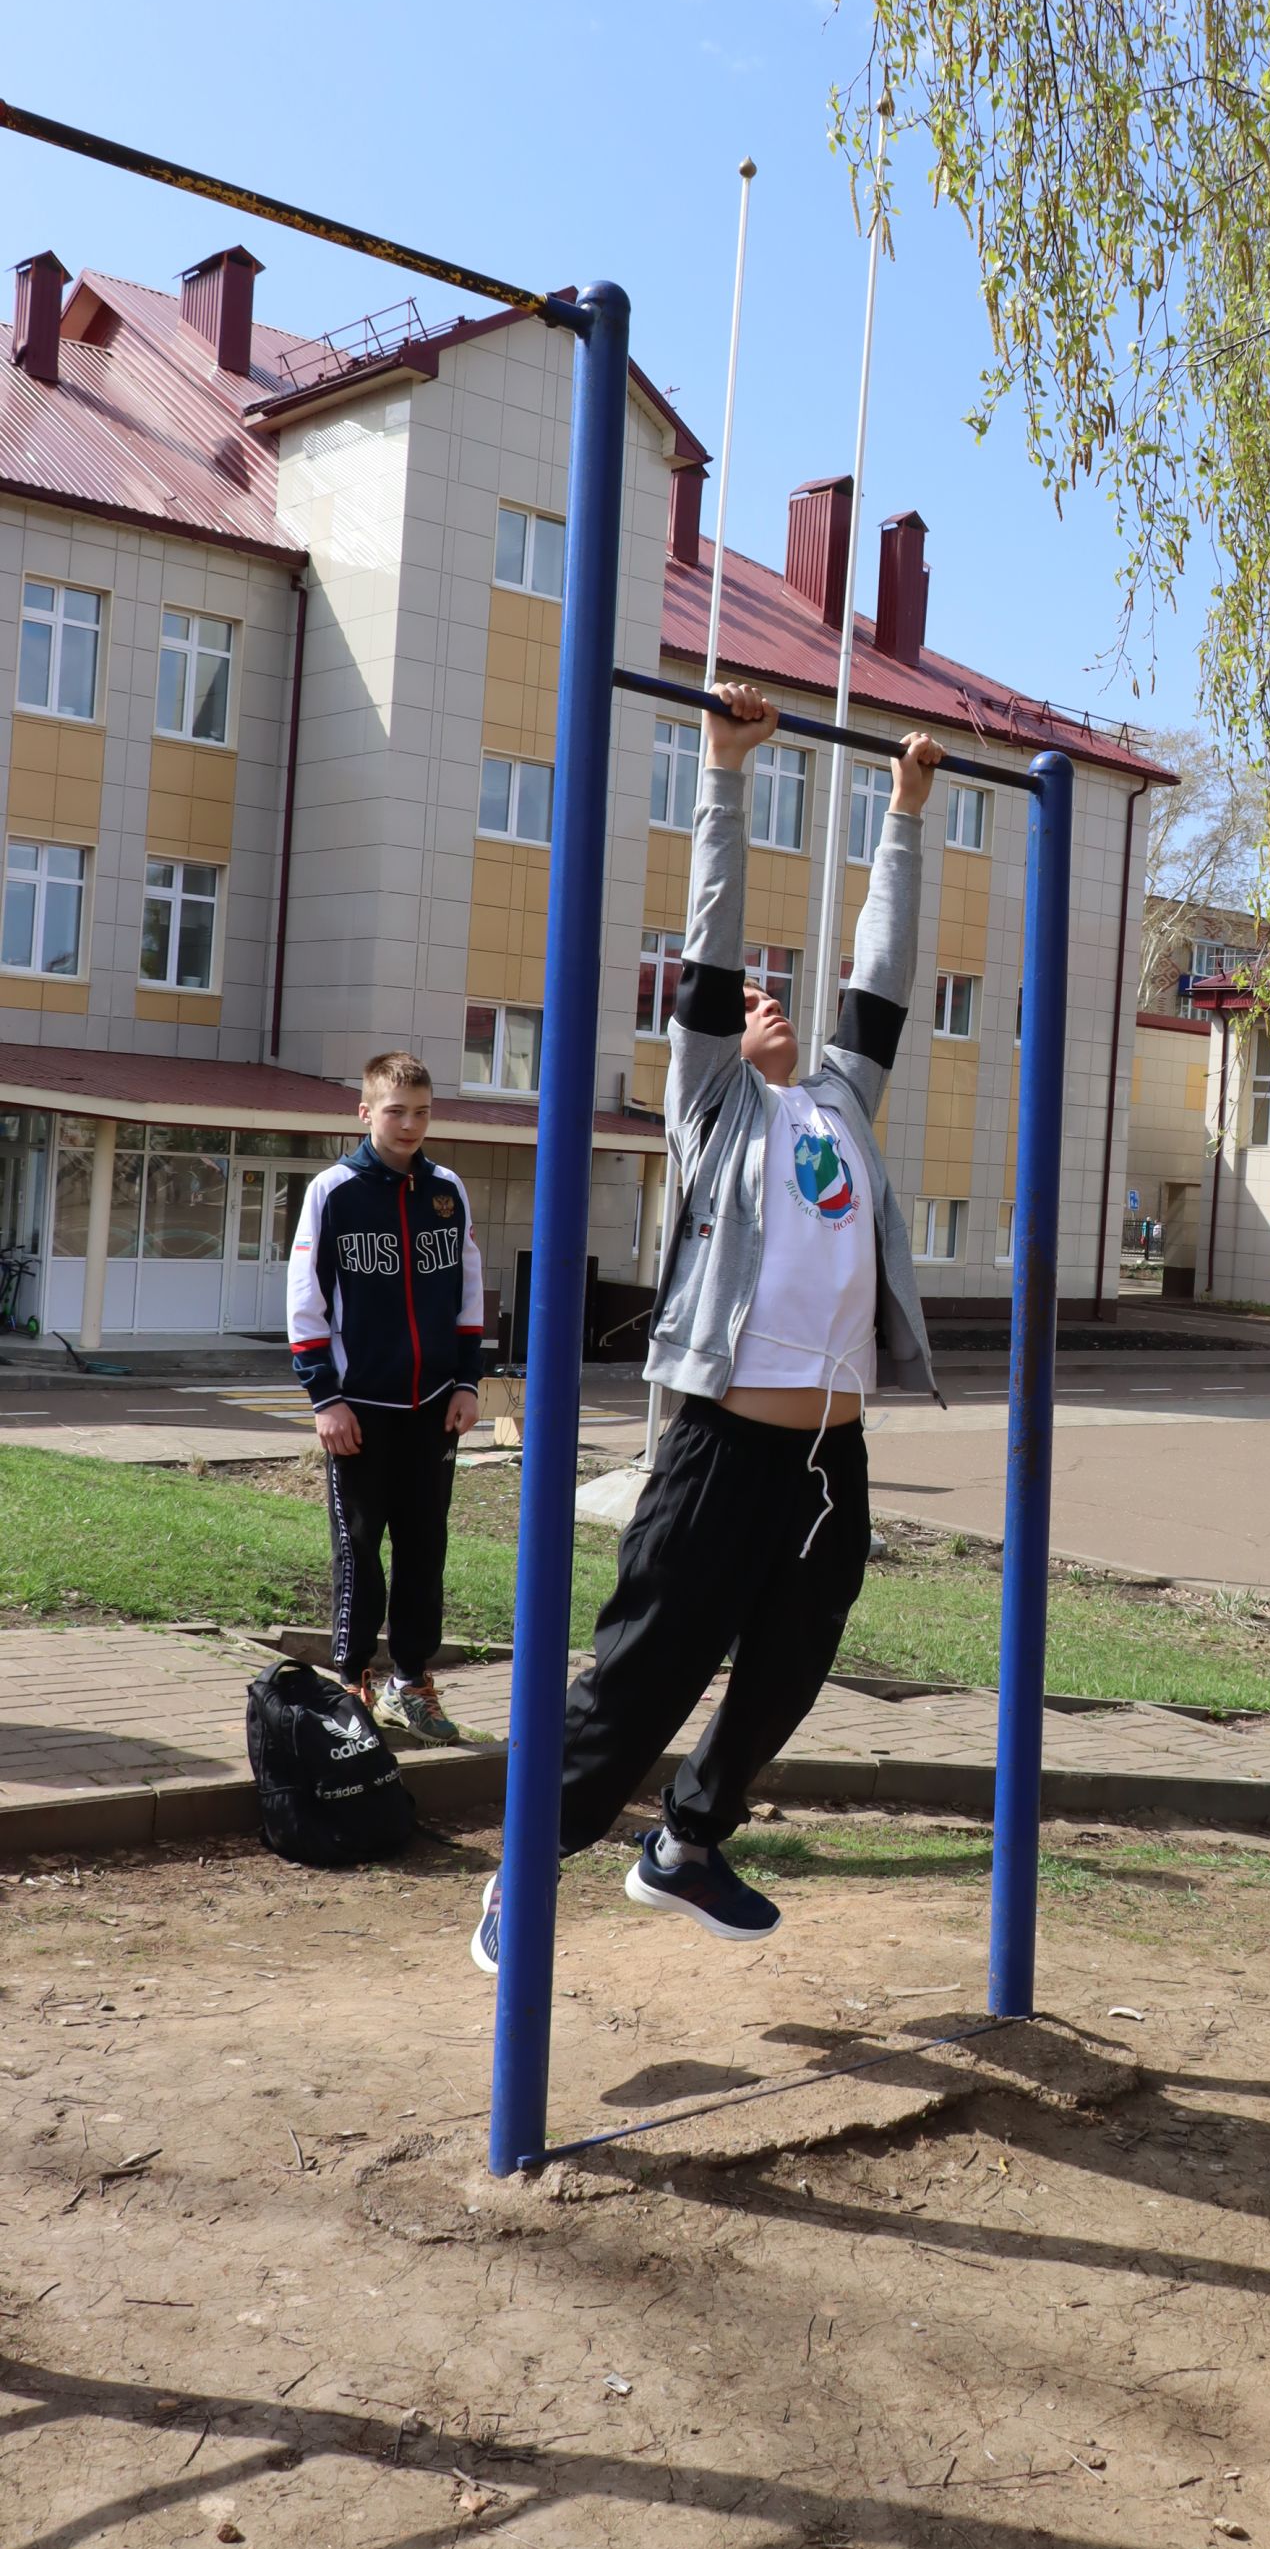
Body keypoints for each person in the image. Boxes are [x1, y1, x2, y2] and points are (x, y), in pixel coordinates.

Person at [472, 682, 943, 1972]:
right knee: (640, 1677)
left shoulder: (844, 1100)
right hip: (723, 1444)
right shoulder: (715, 1113)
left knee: (794, 1665)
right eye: (750, 1009)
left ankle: (686, 1840)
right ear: (726, 1039)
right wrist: (724, 776)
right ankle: (528, 1865)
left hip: (827, 1455)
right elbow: (711, 946)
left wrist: (904, 812)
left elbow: (884, 968)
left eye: (782, 1002)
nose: (769, 1007)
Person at [288, 1050, 485, 1744]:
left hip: (434, 1407)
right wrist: (325, 1399)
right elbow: (305, 1302)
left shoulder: (447, 1190)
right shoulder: (333, 1191)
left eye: (422, 1112)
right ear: (366, 1111)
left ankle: (412, 1682)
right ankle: (352, 1680)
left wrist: (466, 1382)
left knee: (425, 1550)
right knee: (360, 1547)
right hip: (360, 1411)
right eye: (396, 1111)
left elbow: (467, 1293)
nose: (409, 1124)